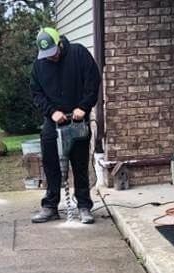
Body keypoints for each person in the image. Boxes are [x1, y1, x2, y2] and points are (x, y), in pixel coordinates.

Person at [29, 27, 101, 224]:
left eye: (53, 53)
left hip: (77, 119)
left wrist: (84, 107)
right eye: (46, 55)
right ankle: (50, 206)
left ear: (60, 44)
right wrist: (52, 112)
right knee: (51, 166)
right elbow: (36, 93)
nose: (50, 58)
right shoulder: (39, 64)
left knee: (79, 165)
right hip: (53, 122)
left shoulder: (79, 54)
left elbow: (93, 81)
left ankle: (84, 206)